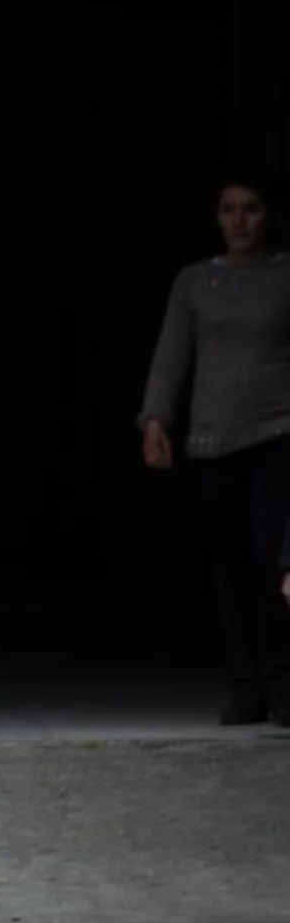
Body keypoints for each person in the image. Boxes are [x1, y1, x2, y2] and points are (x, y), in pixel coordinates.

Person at [140, 174, 290, 726]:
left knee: (274, 565)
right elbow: (172, 356)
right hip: (214, 439)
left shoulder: (284, 276)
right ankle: (244, 687)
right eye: (229, 209)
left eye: (251, 208)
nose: (240, 220)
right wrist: (156, 419)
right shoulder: (196, 282)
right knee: (229, 569)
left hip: (277, 434)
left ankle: (281, 686)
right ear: (216, 217)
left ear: (267, 215)